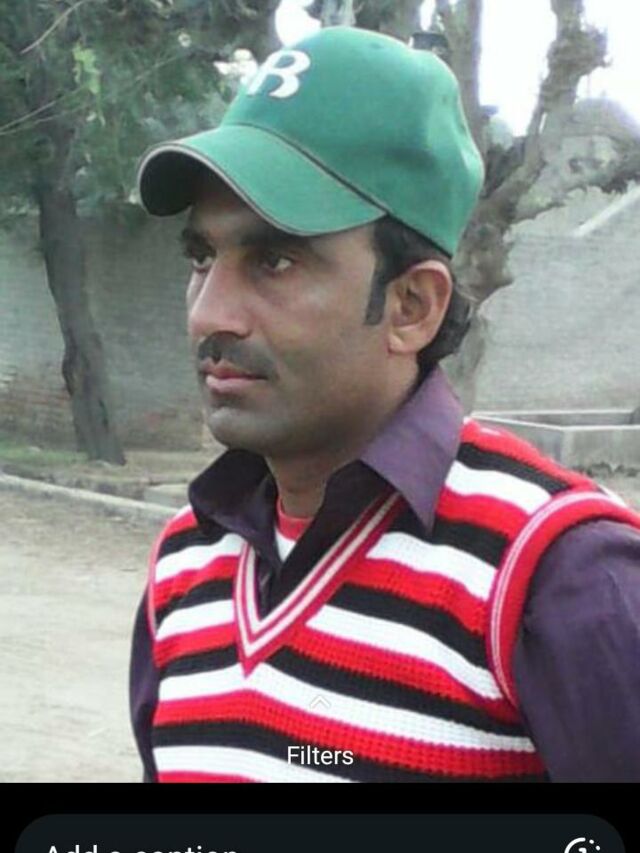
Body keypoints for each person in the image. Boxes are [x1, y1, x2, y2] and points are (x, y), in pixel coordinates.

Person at [129, 26, 640, 783]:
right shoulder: (185, 565)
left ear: (411, 306)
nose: (209, 313)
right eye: (202, 257)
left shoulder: (555, 578)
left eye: (275, 259)